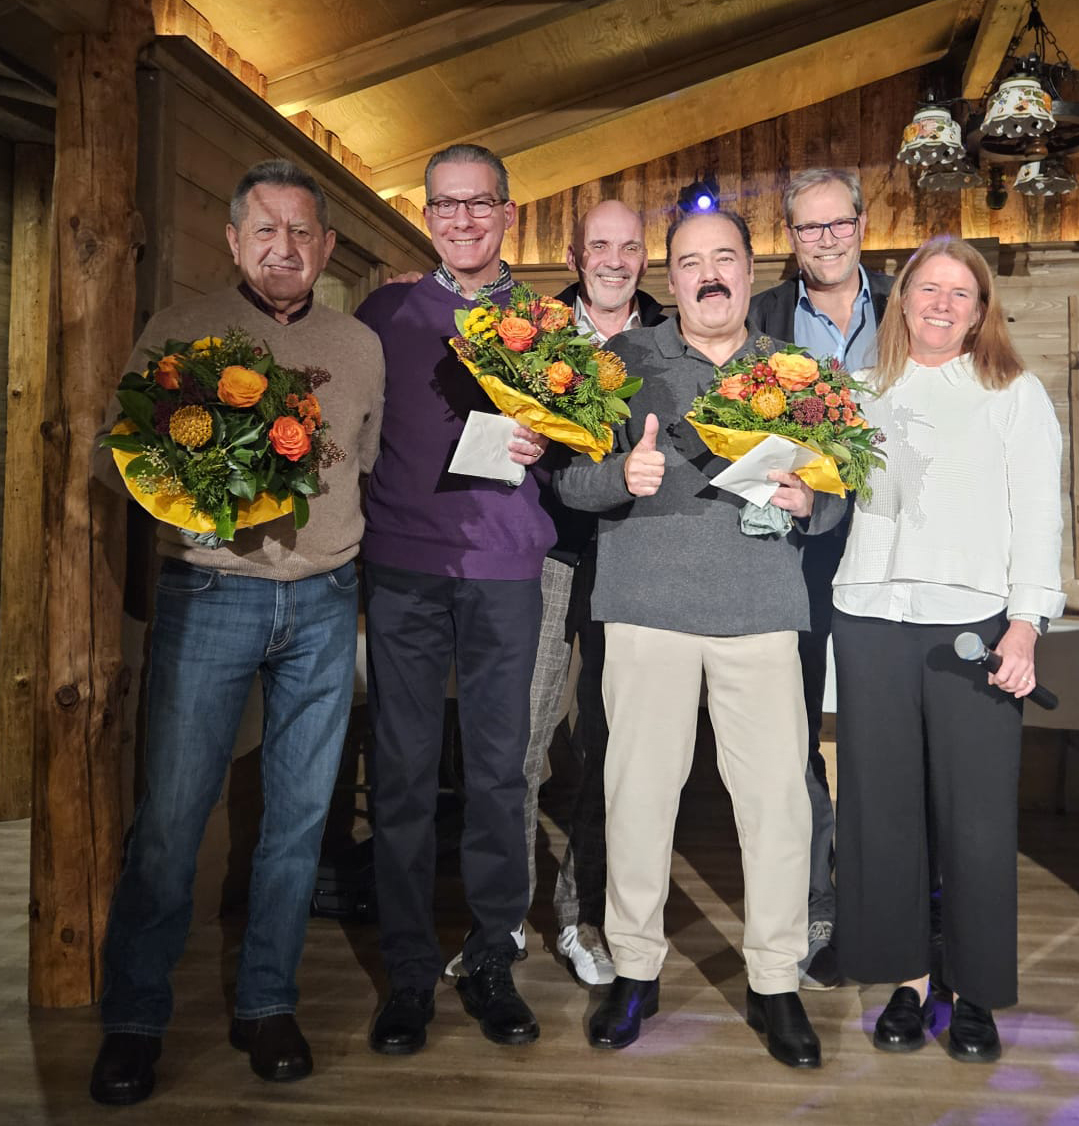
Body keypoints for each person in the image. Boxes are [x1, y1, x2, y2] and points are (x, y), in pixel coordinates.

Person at [88, 159, 385, 1105]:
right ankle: (135, 1019)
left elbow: (363, 463)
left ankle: (267, 1002)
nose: (283, 248)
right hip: (209, 594)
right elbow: (113, 453)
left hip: (326, 600)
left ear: (326, 248)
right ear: (232, 240)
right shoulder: (182, 333)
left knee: (298, 820)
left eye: (301, 232)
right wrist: (195, 487)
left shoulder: (359, 344)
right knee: (172, 819)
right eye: (266, 229)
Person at [556, 207, 844, 1067]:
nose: (709, 274)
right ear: (671, 278)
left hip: (761, 612)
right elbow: (570, 482)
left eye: (724, 258)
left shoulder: (797, 371)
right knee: (637, 800)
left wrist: (811, 500)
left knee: (779, 807)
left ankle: (775, 982)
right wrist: (622, 473)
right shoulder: (619, 362)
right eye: (690, 262)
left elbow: (838, 495)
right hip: (646, 610)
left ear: (751, 271)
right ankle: (634, 971)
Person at [831, 235, 1064, 1062]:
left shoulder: (1013, 393)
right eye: (927, 288)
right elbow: (825, 496)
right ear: (902, 300)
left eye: (959, 293)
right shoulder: (857, 389)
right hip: (868, 618)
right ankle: (908, 981)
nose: (941, 303)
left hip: (973, 628)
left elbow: (1039, 516)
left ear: (980, 311)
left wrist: (1027, 623)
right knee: (882, 815)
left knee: (976, 819)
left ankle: (972, 993)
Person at [356, 143, 553, 1056]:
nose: (463, 219)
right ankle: (406, 970)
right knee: (400, 773)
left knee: (498, 774)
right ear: (427, 215)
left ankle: (489, 958)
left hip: (506, 569)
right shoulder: (386, 312)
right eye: (446, 204)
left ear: (508, 212)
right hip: (403, 567)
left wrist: (553, 442)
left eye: (480, 204)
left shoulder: (547, 325)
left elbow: (586, 441)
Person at [748, 168, 891, 989]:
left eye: (839, 224)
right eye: (810, 228)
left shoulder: (907, 308)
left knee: (882, 730)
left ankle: (889, 897)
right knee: (795, 732)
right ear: (792, 238)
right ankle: (817, 902)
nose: (827, 240)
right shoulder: (765, 316)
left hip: (893, 554)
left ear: (863, 226)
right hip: (795, 553)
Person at [522, 200, 665, 986]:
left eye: (629, 246)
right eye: (600, 246)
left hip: (634, 562)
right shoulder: (533, 334)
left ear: (645, 257)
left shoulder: (669, 336)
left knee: (609, 747)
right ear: (576, 255)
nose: (614, 259)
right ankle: (506, 915)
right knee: (522, 738)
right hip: (545, 555)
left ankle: (581, 919)